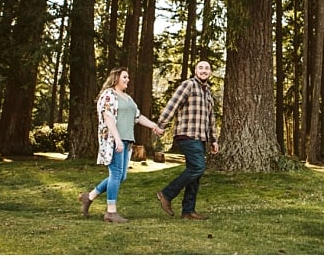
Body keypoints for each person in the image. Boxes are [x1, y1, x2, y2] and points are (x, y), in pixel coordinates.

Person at [79, 67, 163, 223]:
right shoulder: (109, 95)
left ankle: (89, 197)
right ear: (116, 78)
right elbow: (108, 117)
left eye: (128, 77)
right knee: (116, 174)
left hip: (127, 140)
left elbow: (137, 117)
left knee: (121, 176)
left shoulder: (128, 98)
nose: (128, 79)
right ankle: (111, 212)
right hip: (113, 140)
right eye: (125, 76)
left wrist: (153, 126)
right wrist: (117, 139)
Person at [155, 60, 219, 220]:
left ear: (210, 72)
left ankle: (188, 211)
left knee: (195, 173)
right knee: (198, 167)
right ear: (195, 70)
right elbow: (173, 104)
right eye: (201, 68)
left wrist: (214, 140)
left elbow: (211, 118)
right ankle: (166, 194)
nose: (204, 71)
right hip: (186, 134)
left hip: (201, 137)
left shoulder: (208, 92)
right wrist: (161, 124)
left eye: (207, 68)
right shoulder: (188, 85)